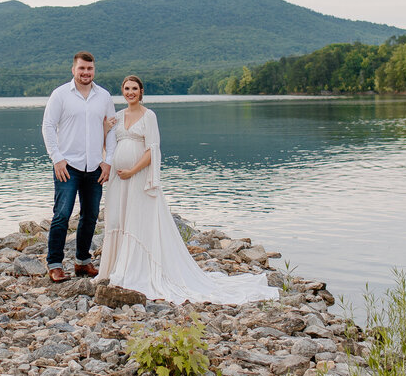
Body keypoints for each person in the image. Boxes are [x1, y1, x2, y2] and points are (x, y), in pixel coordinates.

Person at [99, 75, 278, 304]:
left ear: (141, 91)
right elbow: (109, 147)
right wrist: (105, 130)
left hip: (137, 177)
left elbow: (153, 150)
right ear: (122, 91)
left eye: (135, 88)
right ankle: (115, 267)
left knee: (137, 220)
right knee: (118, 220)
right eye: (127, 88)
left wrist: (133, 170)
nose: (130, 92)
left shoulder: (148, 116)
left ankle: (137, 270)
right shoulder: (118, 117)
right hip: (118, 179)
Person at [41, 51, 117, 283]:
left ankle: (82, 262)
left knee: (91, 215)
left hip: (95, 165)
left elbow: (112, 130)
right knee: (62, 214)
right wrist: (57, 158)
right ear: (73, 70)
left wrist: (108, 161)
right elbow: (48, 126)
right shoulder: (60, 95)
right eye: (82, 68)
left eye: (90, 69)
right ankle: (54, 264)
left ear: (94, 70)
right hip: (68, 165)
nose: (86, 73)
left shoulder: (103, 96)